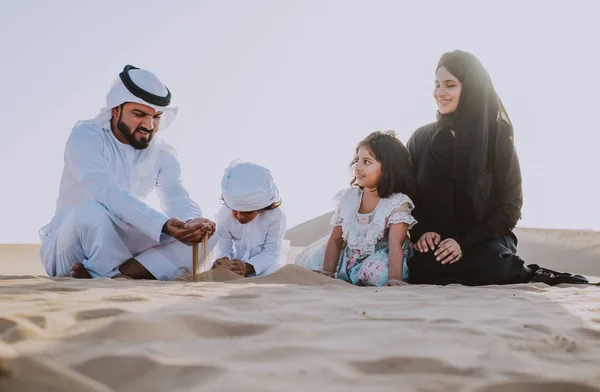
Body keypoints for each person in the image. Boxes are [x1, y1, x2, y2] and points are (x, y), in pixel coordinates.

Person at [406, 50, 587, 286]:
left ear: (471, 88)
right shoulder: (421, 139)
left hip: (484, 240)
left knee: (495, 264)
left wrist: (463, 242)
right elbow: (405, 193)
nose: (440, 93)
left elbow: (510, 207)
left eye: (450, 85)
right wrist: (423, 232)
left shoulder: (497, 140)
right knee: (418, 268)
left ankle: (524, 271)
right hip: (436, 243)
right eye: (437, 84)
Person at [38, 65, 215, 280]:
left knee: (210, 232)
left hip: (123, 241)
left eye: (156, 117)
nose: (149, 125)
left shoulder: (164, 152)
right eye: (139, 114)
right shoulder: (86, 136)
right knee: (92, 213)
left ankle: (118, 274)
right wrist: (162, 225)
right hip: (71, 244)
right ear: (115, 110)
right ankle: (125, 271)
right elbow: (104, 191)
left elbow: (176, 194)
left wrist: (191, 222)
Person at [295, 131, 417, 286]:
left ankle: (363, 275)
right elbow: (335, 239)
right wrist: (328, 272)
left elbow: (395, 244)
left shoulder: (397, 203)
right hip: (349, 254)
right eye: (357, 160)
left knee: (378, 273)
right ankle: (344, 273)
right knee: (314, 260)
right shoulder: (349, 199)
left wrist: (394, 279)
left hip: (380, 256)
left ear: (387, 168)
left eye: (367, 162)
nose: (358, 167)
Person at [211, 161, 289, 277]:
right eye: (234, 209)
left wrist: (249, 267)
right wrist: (223, 262)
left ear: (262, 206)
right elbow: (224, 249)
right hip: (236, 266)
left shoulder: (275, 216)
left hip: (266, 267)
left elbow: (271, 251)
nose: (239, 216)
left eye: (247, 212)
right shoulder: (223, 215)